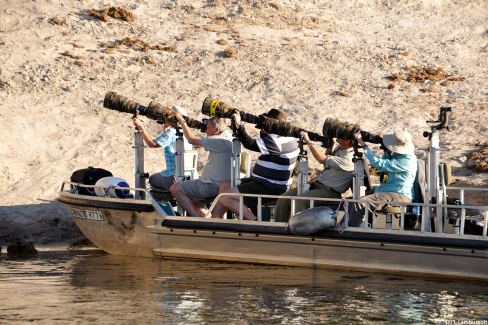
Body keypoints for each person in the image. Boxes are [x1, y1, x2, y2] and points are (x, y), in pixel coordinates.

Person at [211, 108, 299, 220]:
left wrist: (239, 125)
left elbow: (249, 144)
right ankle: (215, 220)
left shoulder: (276, 141)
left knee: (224, 197)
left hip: (269, 187)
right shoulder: (290, 137)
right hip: (263, 182)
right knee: (225, 185)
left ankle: (254, 221)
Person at [274, 131, 355, 222]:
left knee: (299, 201)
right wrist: (330, 147)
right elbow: (328, 164)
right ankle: (279, 228)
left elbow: (322, 159)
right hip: (317, 185)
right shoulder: (339, 149)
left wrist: (309, 142)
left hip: (330, 192)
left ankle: (299, 229)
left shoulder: (350, 159)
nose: (337, 136)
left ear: (347, 141)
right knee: (284, 199)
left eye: (341, 135)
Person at [347, 130, 417, 227]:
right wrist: (387, 151)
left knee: (360, 203)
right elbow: (386, 162)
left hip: (399, 195)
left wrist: (363, 144)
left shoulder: (407, 161)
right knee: (352, 200)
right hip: (386, 190)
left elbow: (380, 164)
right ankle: (345, 226)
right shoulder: (398, 155)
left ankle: (350, 232)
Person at [170, 113, 233, 218]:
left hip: (212, 185)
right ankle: (205, 217)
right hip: (221, 183)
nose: (205, 131)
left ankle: (196, 217)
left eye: (207, 128)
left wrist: (182, 122)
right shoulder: (229, 136)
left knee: (175, 188)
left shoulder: (219, 141)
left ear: (216, 130)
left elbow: (191, 139)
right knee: (191, 198)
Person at [132, 114, 191, 191]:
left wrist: (140, 126)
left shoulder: (171, 132)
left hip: (174, 177)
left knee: (152, 179)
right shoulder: (186, 133)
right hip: (189, 176)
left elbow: (152, 144)